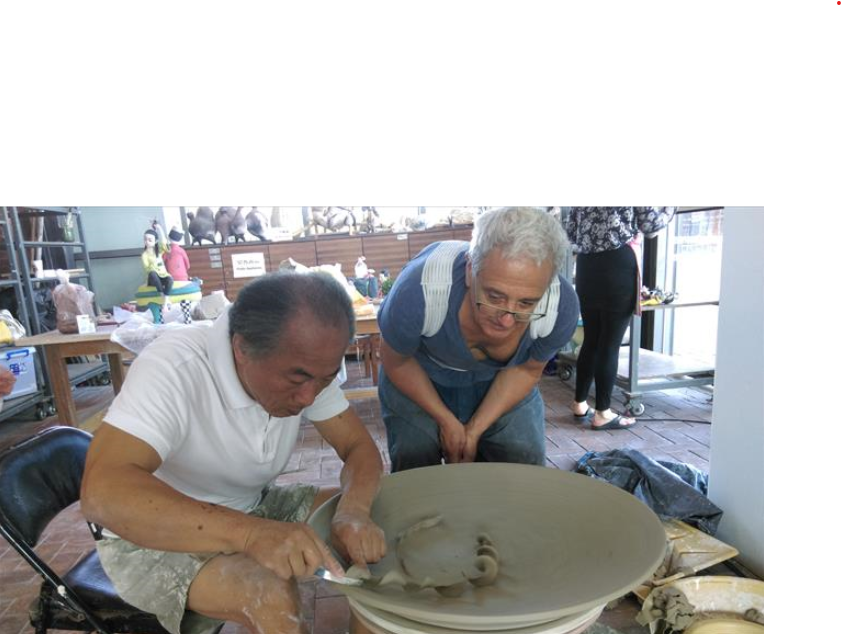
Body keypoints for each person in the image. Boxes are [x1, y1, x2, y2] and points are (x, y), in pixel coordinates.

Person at [81, 271, 386, 634]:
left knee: (372, 528)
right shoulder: (175, 367)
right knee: (269, 593)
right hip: (152, 536)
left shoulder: (310, 366)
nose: (309, 397)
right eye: (297, 379)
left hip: (251, 507)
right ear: (241, 349)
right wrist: (250, 535)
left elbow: (358, 448)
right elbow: (102, 493)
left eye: (325, 379)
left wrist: (353, 513)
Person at [377, 207, 579, 472]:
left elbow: (527, 370)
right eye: (494, 296)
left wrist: (474, 430)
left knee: (523, 461)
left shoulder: (560, 307)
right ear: (470, 269)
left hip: (503, 378)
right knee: (414, 455)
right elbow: (397, 362)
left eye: (526, 303)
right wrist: (446, 421)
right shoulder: (419, 291)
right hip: (419, 373)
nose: (507, 320)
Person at [563, 207, 677, 430]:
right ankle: (603, 413)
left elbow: (570, 232)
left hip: (587, 266)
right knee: (609, 343)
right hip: (617, 263)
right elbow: (651, 224)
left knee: (592, 339)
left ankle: (579, 403)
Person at [141, 221, 174, 310]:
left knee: (170, 279)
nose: (147, 242)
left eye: (150, 240)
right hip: (153, 279)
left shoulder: (159, 251)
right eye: (145, 239)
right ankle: (163, 297)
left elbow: (164, 244)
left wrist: (160, 228)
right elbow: (147, 269)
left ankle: (165, 302)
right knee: (152, 273)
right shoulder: (144, 255)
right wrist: (155, 264)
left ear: (155, 241)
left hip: (163, 276)